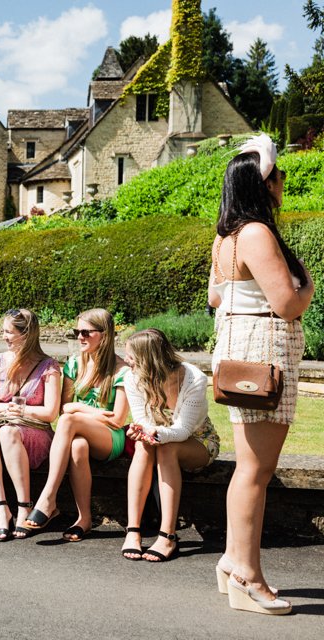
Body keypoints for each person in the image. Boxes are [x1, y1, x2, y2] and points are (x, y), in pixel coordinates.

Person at [208, 134, 313, 615]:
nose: (284, 182)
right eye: (279, 175)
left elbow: (214, 298)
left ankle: (233, 561)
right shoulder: (255, 233)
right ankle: (249, 578)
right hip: (265, 354)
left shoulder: (225, 236)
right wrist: (306, 284)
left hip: (238, 353)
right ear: (263, 183)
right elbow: (287, 304)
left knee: (249, 467)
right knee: (256, 470)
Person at [24, 308, 129, 541]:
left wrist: (77, 410)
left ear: (104, 334)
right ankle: (84, 519)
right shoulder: (74, 364)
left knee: (70, 421)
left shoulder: (121, 370)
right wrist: (93, 412)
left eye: (86, 332)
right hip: (82, 430)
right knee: (78, 446)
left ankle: (48, 497)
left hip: (110, 438)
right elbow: (65, 406)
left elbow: (118, 419)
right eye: (76, 331)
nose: (80, 337)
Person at [120, 329, 220, 562]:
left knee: (165, 447)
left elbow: (183, 430)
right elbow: (142, 420)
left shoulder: (194, 378)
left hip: (198, 440)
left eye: (131, 357)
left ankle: (167, 535)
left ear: (149, 359)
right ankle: (133, 531)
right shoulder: (132, 378)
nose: (126, 361)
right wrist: (142, 431)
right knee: (145, 446)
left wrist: (152, 433)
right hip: (157, 441)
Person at [0, 309, 61, 541]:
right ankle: (1, 509)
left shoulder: (48, 366)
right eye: (3, 331)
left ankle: (24, 506)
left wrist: (22, 410)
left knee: (8, 432)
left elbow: (51, 413)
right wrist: (6, 409)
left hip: (34, 431)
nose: (4, 337)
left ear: (27, 334)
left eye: (9, 332)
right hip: (3, 424)